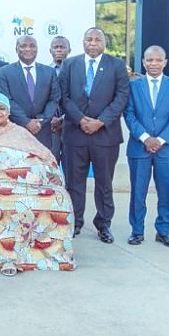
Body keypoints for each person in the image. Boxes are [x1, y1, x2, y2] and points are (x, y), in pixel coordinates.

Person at [0, 91, 76, 276]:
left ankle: (55, 257)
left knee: (60, 198)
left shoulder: (20, 132)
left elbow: (45, 155)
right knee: (2, 203)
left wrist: (53, 174)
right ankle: (8, 259)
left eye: (1, 108)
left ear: (8, 112)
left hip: (34, 185)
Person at [59, 27, 130, 243]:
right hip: (75, 134)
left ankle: (104, 224)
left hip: (105, 135)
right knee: (74, 183)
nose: (92, 43)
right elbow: (63, 96)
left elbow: (121, 96)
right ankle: (75, 222)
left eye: (97, 39)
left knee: (104, 183)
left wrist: (100, 121)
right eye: (88, 39)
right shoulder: (70, 65)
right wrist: (80, 120)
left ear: (104, 43)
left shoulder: (116, 65)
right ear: (82, 42)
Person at [124, 45, 169, 248]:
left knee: (165, 191)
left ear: (165, 62)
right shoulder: (133, 86)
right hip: (139, 148)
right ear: (143, 62)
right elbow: (129, 114)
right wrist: (144, 138)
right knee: (138, 192)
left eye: (158, 60)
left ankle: (164, 231)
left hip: (166, 149)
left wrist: (158, 141)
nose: (154, 64)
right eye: (150, 60)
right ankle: (137, 230)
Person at [0, 35, 60, 156]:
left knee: (42, 171)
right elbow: (6, 100)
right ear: (16, 49)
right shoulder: (4, 71)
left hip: (42, 131)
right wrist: (26, 122)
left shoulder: (49, 72)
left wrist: (40, 121)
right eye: (23, 46)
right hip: (15, 130)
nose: (28, 49)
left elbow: (54, 99)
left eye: (32, 46)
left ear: (37, 49)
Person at [49, 35, 71, 159]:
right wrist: (50, 118)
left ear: (69, 50)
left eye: (62, 47)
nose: (59, 50)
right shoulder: (43, 72)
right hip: (50, 127)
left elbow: (79, 99)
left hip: (71, 125)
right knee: (51, 164)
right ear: (50, 50)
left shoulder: (76, 71)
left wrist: (63, 119)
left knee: (71, 168)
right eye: (55, 47)